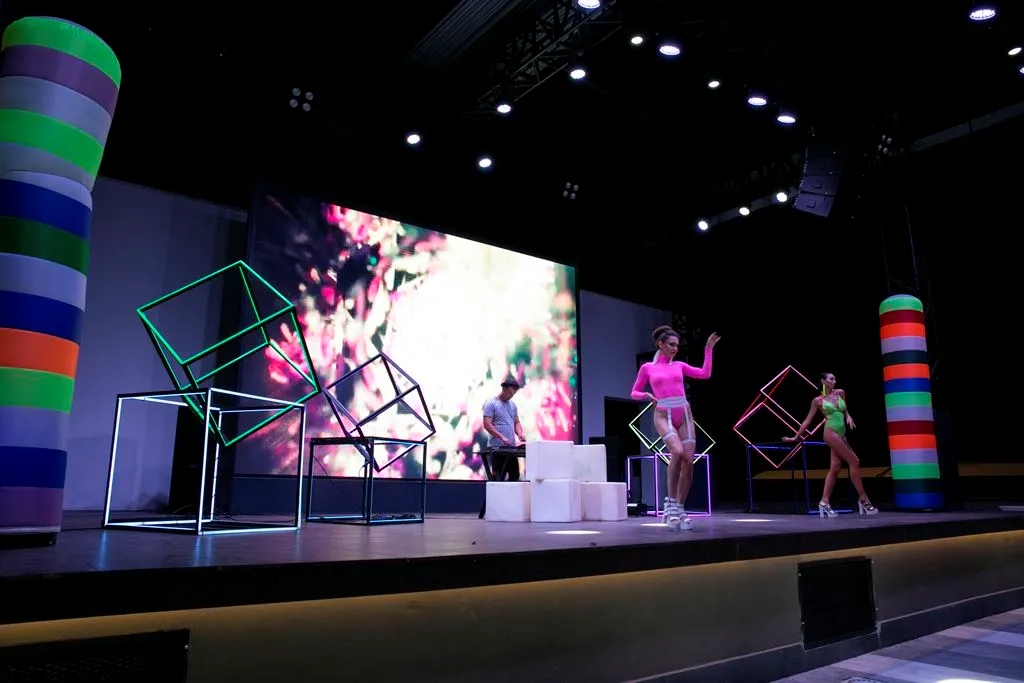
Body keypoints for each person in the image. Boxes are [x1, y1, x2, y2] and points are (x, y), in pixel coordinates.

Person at [631, 326, 720, 530]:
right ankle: (670, 506)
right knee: (677, 452)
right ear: (660, 344)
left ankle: (679, 508)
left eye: (677, 345)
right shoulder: (648, 368)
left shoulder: (679, 365)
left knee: (688, 462)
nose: (675, 348)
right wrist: (646, 395)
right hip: (664, 414)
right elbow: (634, 392)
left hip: (684, 413)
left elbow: (705, 373)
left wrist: (708, 349)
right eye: (671, 344)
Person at [784, 372, 878, 517]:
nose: (834, 381)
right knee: (854, 461)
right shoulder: (818, 400)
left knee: (835, 468)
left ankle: (824, 502)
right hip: (830, 433)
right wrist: (796, 437)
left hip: (842, 434)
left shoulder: (840, 393)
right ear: (823, 381)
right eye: (831, 379)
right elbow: (807, 420)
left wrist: (848, 416)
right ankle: (864, 499)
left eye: (834, 379)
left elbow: (844, 409)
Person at [482, 376, 526, 481]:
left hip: (510, 448)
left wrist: (520, 433)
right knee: (498, 476)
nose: (511, 395)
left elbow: (516, 422)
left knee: (515, 476)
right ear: (504, 389)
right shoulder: (491, 403)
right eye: (510, 393)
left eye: (513, 393)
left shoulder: (513, 405)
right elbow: (487, 424)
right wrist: (501, 437)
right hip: (496, 448)